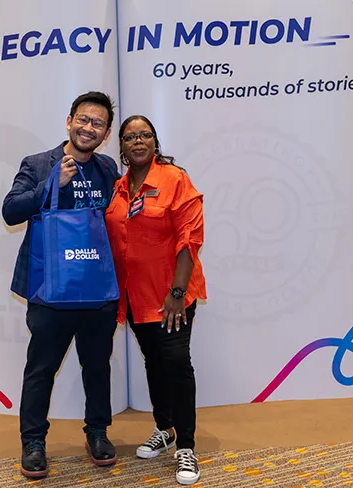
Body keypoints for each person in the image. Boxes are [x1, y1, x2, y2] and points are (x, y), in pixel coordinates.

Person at [2, 92, 121, 479]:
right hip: (49, 291)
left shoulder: (107, 168)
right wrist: (53, 183)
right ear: (69, 121)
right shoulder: (39, 164)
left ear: (105, 135)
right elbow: (11, 209)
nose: (89, 128)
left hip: (96, 288)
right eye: (83, 120)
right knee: (41, 368)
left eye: (98, 124)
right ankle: (33, 441)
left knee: (97, 365)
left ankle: (98, 433)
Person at [104, 115, 207, 486]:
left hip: (170, 296)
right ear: (122, 146)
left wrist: (177, 292)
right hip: (134, 296)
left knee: (176, 362)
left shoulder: (173, 180)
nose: (138, 141)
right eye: (130, 136)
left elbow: (189, 237)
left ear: (155, 141)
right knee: (154, 362)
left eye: (145, 134)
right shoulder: (117, 188)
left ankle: (187, 448)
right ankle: (164, 429)